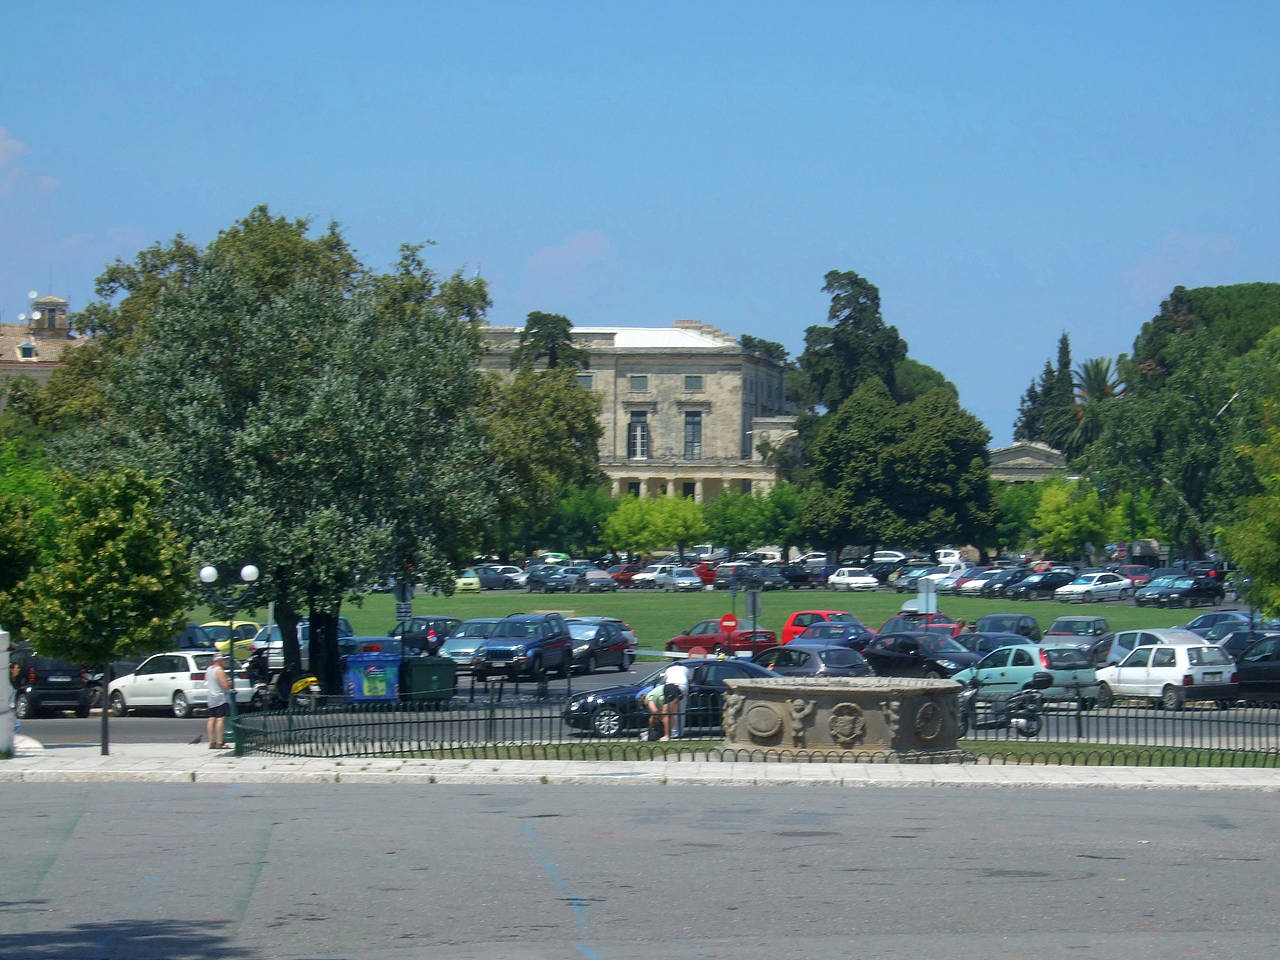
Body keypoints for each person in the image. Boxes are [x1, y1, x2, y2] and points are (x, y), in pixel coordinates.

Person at [205, 652, 233, 749]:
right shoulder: (219, 670)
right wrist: (230, 683)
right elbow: (225, 686)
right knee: (221, 718)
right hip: (220, 697)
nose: (225, 661)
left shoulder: (209, 669)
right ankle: (220, 742)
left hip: (211, 697)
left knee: (212, 718)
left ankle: (211, 741)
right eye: (224, 659)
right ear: (219, 660)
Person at [660, 660, 690, 740]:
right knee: (682, 711)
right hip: (683, 688)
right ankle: (681, 732)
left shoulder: (669, 669)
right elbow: (689, 680)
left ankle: (674, 733)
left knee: (673, 712)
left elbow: (663, 681)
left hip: (672, 688)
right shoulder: (685, 669)